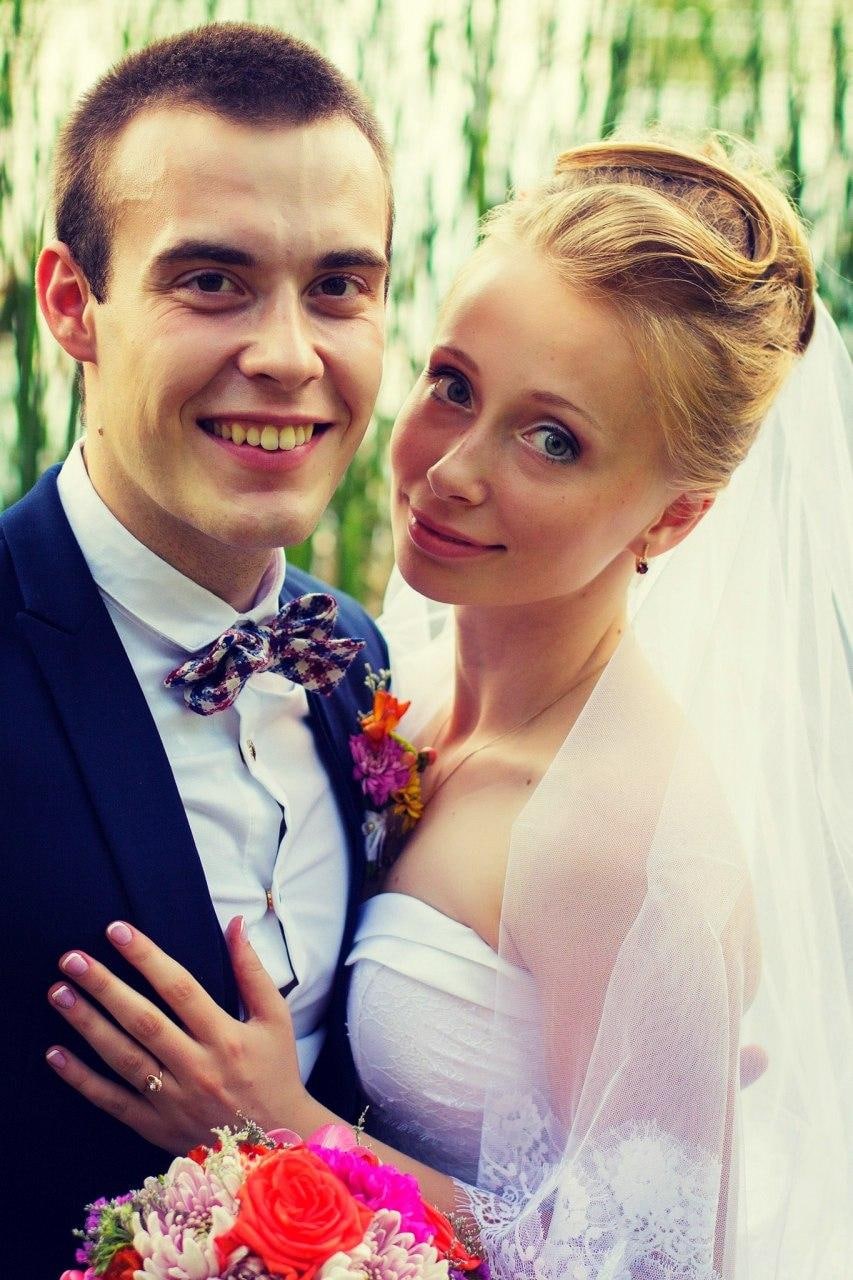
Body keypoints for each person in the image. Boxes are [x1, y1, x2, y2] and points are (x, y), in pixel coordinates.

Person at [45, 139, 852, 1277]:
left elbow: (643, 1263)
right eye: (453, 385)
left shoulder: (621, 840)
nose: (451, 470)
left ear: (674, 517)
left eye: (552, 439)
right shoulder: (377, 679)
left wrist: (284, 1126)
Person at [0, 23, 396, 1275]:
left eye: (339, 286)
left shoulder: (358, 655)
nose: (288, 355)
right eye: (213, 280)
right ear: (74, 303)